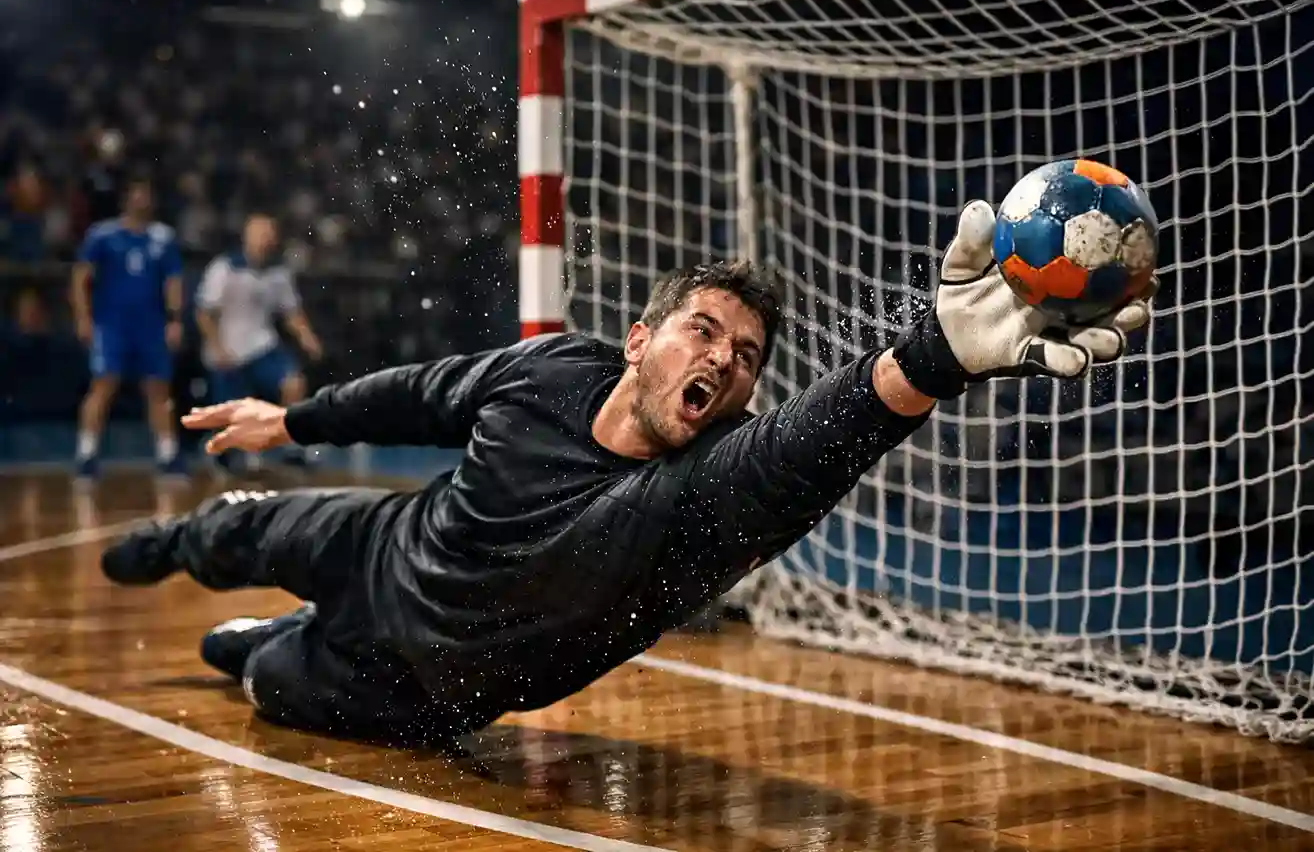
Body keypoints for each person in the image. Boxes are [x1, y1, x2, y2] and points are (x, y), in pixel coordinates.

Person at [100, 201, 1156, 745]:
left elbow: (804, 449)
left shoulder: (694, 503)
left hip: (412, 685)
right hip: (387, 542)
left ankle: (273, 642)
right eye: (705, 331)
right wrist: (290, 417)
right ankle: (188, 552)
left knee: (252, 668)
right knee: (231, 529)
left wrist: (932, 357)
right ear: (641, 339)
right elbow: (422, 394)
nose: (724, 361)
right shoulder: (555, 366)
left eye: (747, 358)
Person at [70, 175, 186, 478]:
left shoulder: (164, 237)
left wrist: (174, 319)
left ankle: (168, 454)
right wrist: (83, 318)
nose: (141, 199)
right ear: (125, 199)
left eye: (146, 194)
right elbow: (81, 278)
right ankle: (86, 454)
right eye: (136, 194)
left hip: (151, 324)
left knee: (158, 388)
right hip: (111, 324)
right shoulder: (102, 235)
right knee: (103, 384)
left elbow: (173, 281)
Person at [195, 214, 322, 471]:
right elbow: (204, 312)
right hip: (228, 350)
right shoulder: (224, 267)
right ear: (246, 236)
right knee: (232, 416)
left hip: (262, 346)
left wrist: (307, 336)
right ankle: (224, 450)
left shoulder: (278, 273)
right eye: (259, 233)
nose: (264, 239)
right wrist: (217, 347)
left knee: (293, 383)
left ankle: (292, 446)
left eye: (269, 233)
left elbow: (291, 312)